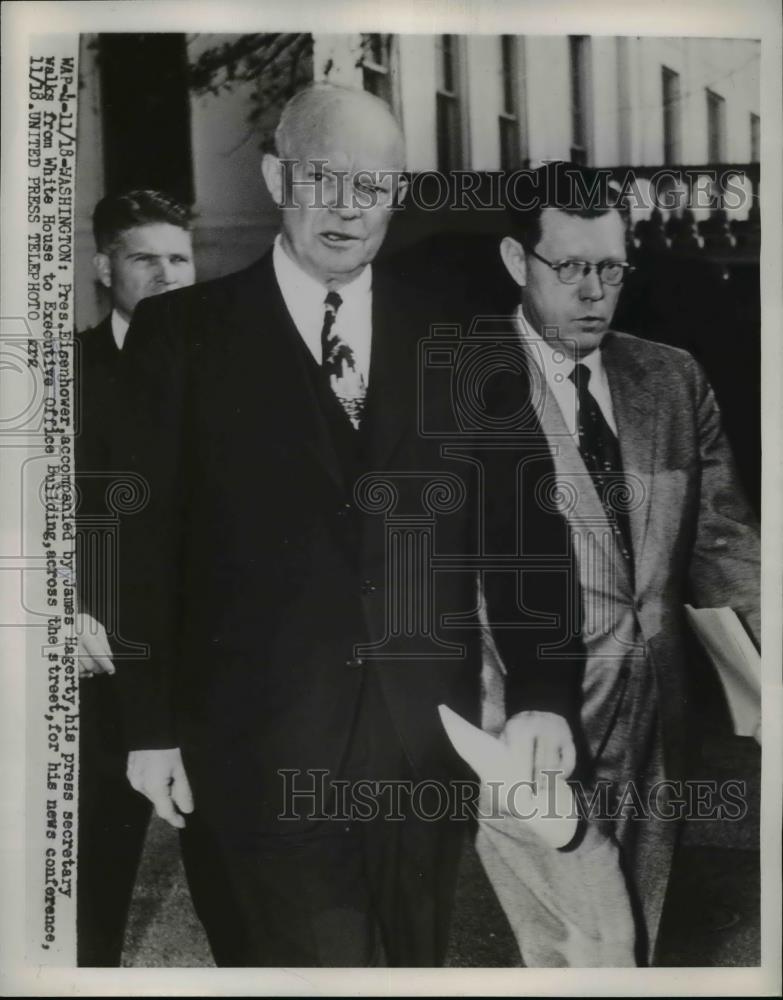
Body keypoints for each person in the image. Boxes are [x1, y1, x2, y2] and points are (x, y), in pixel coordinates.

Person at [107, 85, 584, 967]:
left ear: (395, 194)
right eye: (322, 178)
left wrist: (543, 695)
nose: (347, 207)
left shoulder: (462, 337)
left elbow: (527, 528)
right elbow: (138, 548)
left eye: (372, 185)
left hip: (419, 749)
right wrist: (149, 726)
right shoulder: (182, 334)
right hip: (250, 752)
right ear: (274, 179)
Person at [492, 160, 760, 964]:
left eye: (610, 269)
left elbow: (720, 541)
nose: (593, 293)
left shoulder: (670, 378)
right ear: (516, 260)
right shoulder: (457, 383)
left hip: (657, 715)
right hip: (520, 720)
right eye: (569, 267)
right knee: (573, 945)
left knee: (637, 936)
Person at [75, 190, 238, 966]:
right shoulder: (63, 370)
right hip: (100, 664)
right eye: (146, 259)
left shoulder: (235, 370)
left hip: (207, 668)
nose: (169, 275)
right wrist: (66, 612)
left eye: (180, 257)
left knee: (234, 888)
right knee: (91, 888)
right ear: (104, 267)